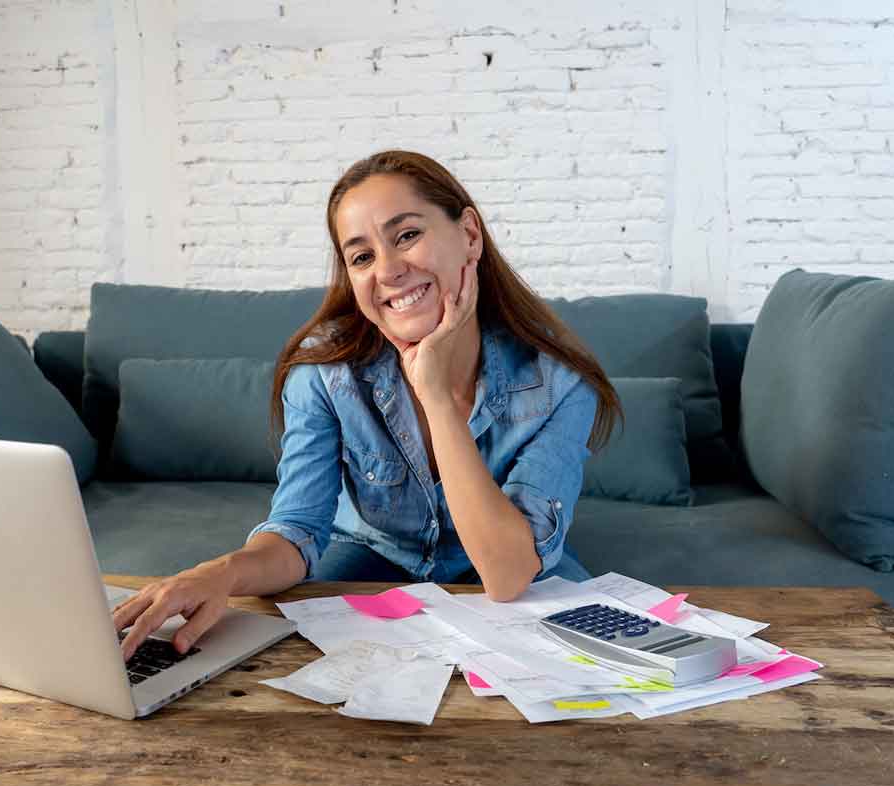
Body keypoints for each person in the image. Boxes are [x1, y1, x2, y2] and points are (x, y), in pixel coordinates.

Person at [115, 150, 622, 660]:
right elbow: (297, 531)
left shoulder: (559, 383)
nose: (390, 270)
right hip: (371, 559)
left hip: (508, 568)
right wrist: (217, 573)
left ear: (470, 235)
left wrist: (436, 397)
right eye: (361, 257)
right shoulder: (325, 375)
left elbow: (508, 576)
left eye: (406, 236)